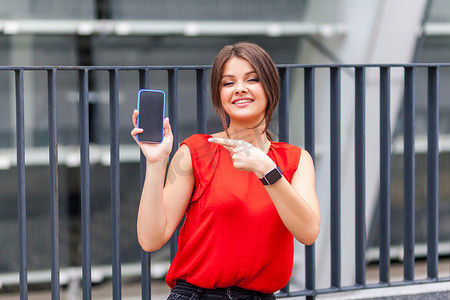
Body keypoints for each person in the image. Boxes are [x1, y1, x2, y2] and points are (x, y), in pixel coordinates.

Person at [131, 41, 320, 300]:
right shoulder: (195, 151)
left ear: (270, 87)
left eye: (252, 79)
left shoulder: (295, 160)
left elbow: (308, 233)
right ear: (219, 95)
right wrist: (155, 163)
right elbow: (150, 239)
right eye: (228, 83)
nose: (240, 89)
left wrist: (267, 170)